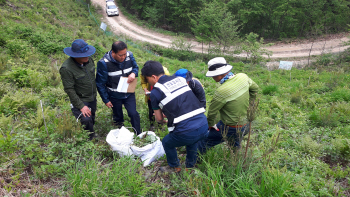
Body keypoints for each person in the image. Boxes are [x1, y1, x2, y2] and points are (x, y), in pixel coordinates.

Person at [141, 61, 208, 172]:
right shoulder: (181, 80)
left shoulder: (155, 92)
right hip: (203, 125)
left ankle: (174, 167)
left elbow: (159, 119)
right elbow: (182, 101)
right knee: (192, 140)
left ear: (153, 77)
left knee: (167, 142)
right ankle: (190, 166)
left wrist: (163, 119)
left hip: (186, 132)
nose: (149, 83)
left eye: (148, 80)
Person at [198, 57, 259, 154]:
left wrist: (211, 125)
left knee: (204, 141)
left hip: (230, 127)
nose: (212, 78)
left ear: (220, 74)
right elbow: (255, 89)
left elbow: (212, 113)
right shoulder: (243, 76)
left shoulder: (221, 91)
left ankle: (193, 163)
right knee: (235, 141)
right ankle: (235, 160)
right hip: (246, 124)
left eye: (213, 75)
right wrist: (250, 106)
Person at [96, 41, 141, 135]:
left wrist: (133, 73)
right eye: (120, 55)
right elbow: (100, 83)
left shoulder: (129, 56)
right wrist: (106, 100)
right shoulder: (104, 63)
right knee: (118, 116)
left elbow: (135, 67)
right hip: (114, 95)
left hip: (129, 92)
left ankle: (139, 134)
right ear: (113, 52)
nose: (123, 57)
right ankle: (120, 134)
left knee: (133, 113)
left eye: (125, 54)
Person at [60, 39, 97, 140]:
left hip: (92, 96)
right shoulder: (66, 68)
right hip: (81, 99)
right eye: (83, 55)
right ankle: (89, 139)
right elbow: (69, 89)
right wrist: (81, 106)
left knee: (92, 116)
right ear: (75, 55)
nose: (87, 57)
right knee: (86, 119)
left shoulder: (89, 61)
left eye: (87, 54)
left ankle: (91, 131)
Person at [141, 66, 170, 131]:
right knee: (151, 110)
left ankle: (161, 125)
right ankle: (152, 125)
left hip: (159, 94)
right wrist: (145, 89)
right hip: (151, 95)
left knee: (161, 109)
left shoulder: (164, 72)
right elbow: (143, 82)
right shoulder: (144, 73)